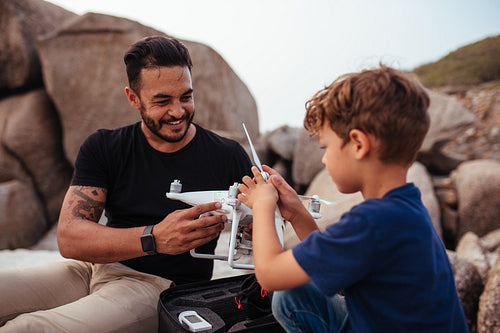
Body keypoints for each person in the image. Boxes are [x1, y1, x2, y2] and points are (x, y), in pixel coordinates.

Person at [0, 36, 252, 332]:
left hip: (161, 289)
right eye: (162, 101)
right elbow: (69, 237)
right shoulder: (104, 146)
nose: (178, 111)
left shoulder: (227, 155)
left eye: (186, 96)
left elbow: (264, 232)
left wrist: (257, 220)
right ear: (133, 98)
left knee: (28, 328)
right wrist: (156, 237)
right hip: (90, 270)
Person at [238, 65, 468, 332]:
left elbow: (270, 274)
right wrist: (297, 213)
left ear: (358, 144)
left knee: (286, 291)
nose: (324, 159)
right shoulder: (406, 208)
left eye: (326, 147)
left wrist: (264, 204)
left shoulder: (371, 223)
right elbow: (338, 263)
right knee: (294, 294)